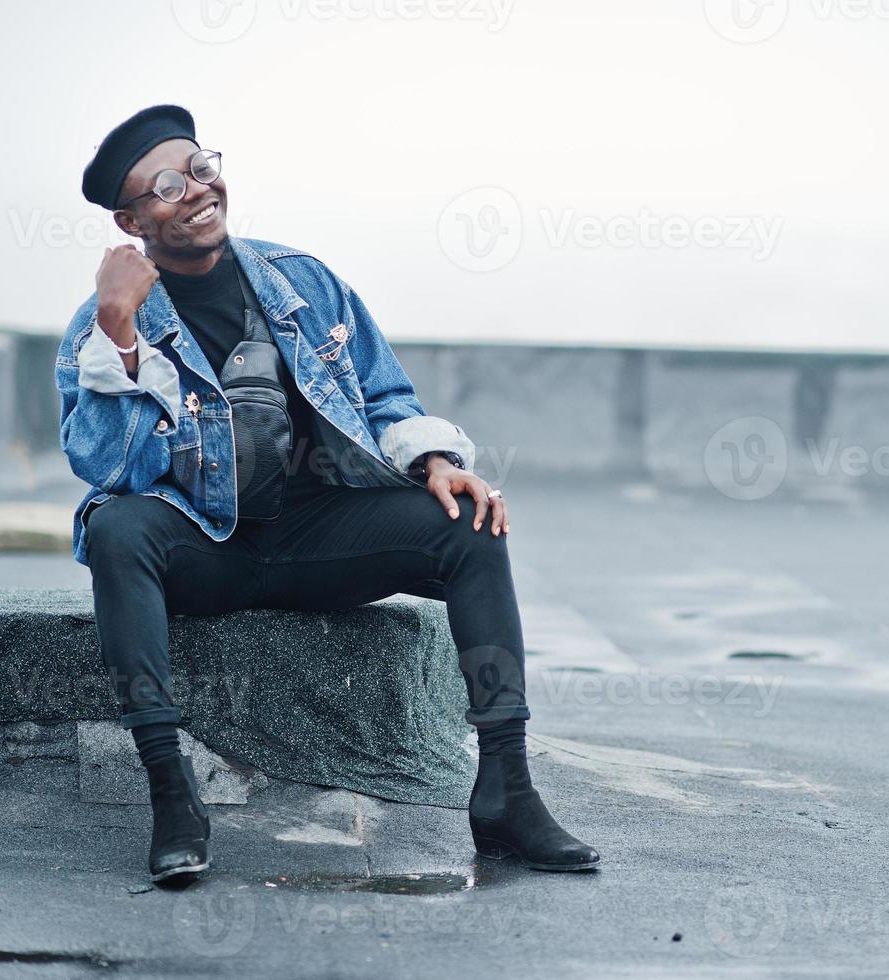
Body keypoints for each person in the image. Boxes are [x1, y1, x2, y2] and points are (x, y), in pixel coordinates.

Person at [56, 104, 598, 882]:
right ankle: (172, 792)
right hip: (205, 548)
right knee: (116, 529)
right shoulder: (101, 326)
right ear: (130, 218)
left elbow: (383, 398)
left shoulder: (299, 281)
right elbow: (107, 469)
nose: (198, 191)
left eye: (203, 168)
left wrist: (434, 461)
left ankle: (507, 792)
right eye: (169, 185)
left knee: (471, 519)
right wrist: (120, 334)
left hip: (318, 537)